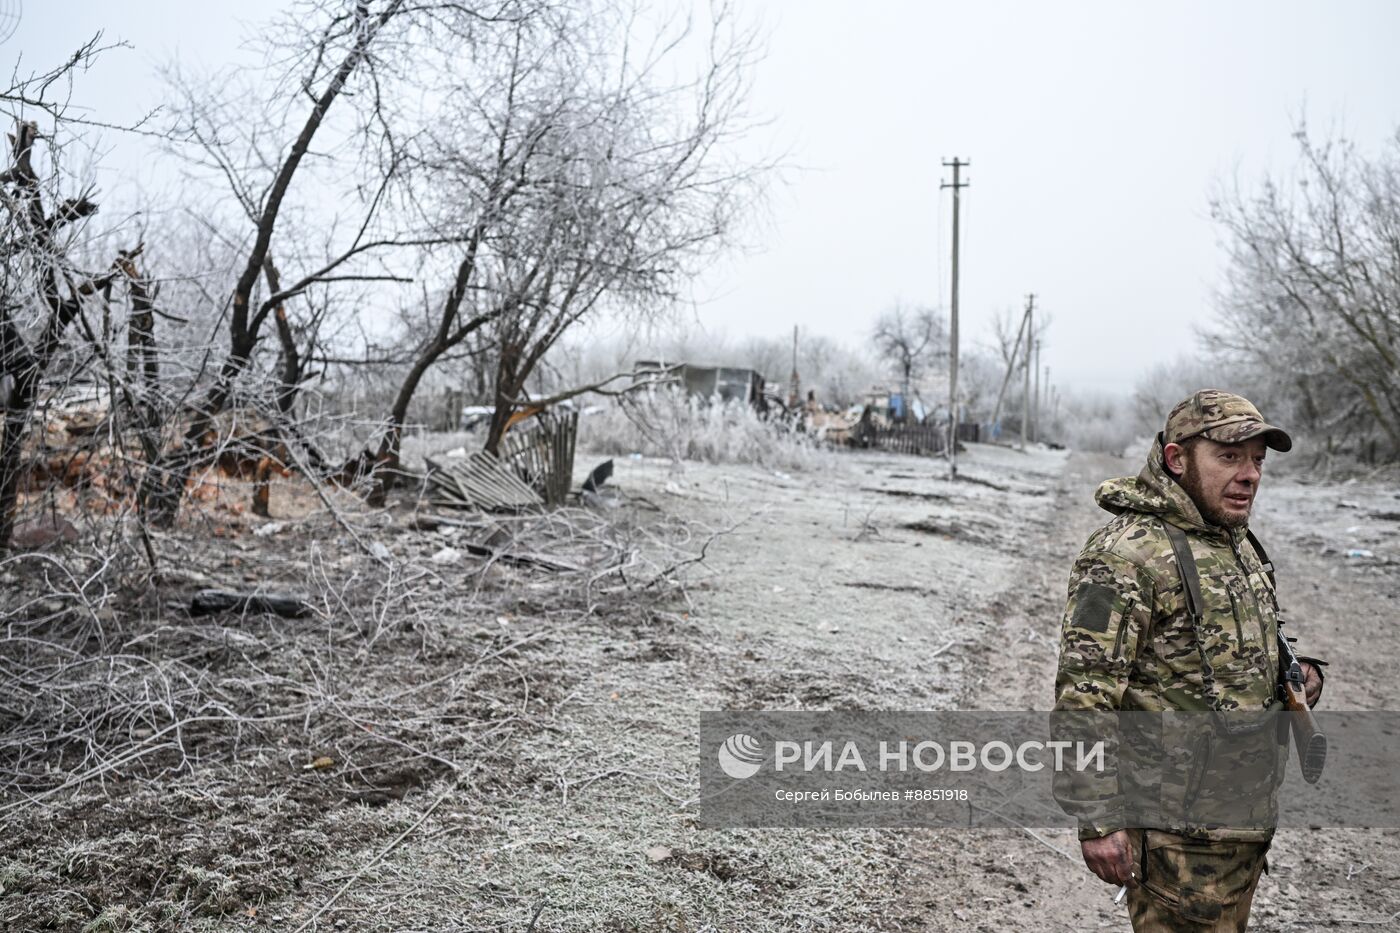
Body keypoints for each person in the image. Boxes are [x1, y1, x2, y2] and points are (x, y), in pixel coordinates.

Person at [1053, 389, 1325, 931]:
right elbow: (1085, 695)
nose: (1250, 475)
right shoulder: (1125, 555)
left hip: (1241, 827)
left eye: (1257, 460)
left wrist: (1290, 677)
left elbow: (1218, 655)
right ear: (1177, 460)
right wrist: (1099, 819)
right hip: (1175, 839)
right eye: (1229, 457)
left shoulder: (1235, 541)